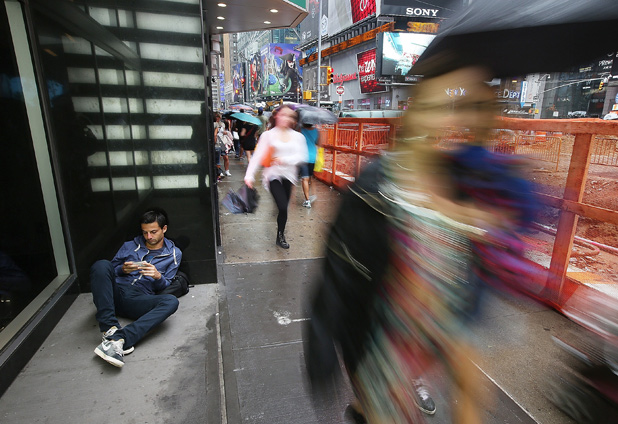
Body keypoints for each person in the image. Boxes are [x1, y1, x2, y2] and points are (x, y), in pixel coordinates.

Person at [304, 66, 538, 423]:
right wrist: (322, 340)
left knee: (470, 391)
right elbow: (339, 263)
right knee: (386, 407)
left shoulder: (457, 171)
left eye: (445, 109)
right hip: (385, 321)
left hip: (445, 313)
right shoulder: (376, 182)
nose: (437, 119)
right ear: (411, 112)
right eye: (429, 107)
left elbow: (513, 213)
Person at [91, 208, 181, 368]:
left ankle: (120, 338)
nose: (149, 237)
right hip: (115, 293)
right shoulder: (130, 245)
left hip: (139, 298)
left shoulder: (174, 253)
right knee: (101, 264)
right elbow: (107, 272)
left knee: (171, 301)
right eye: (145, 232)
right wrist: (122, 270)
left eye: (153, 232)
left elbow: (167, 284)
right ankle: (109, 328)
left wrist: (157, 276)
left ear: (164, 229)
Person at [244, 105, 308, 249]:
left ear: (293, 120)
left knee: (283, 208)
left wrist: (284, 160)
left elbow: (302, 156)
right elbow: (257, 156)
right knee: (282, 207)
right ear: (276, 116)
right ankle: (280, 237)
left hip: (289, 177)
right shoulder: (268, 135)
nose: (285, 118)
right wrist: (249, 176)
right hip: (273, 175)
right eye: (283, 115)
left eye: (289, 116)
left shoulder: (298, 137)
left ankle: (280, 233)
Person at [298, 122, 319, 208]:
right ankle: (310, 196)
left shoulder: (300, 130)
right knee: (309, 177)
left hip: (303, 157)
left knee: (304, 178)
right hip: (313, 157)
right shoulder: (316, 131)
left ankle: (307, 200)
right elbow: (319, 143)